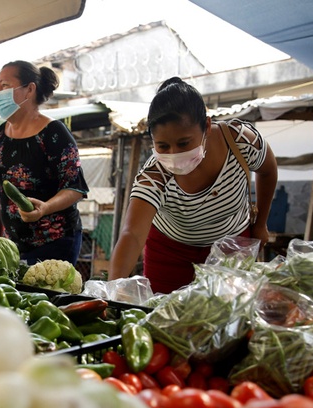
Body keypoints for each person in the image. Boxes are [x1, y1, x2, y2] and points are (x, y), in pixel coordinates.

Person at [109, 77, 278, 294]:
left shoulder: (240, 141)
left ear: (206, 126)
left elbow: (268, 170)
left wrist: (261, 223)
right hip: (170, 255)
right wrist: (110, 293)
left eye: (183, 143)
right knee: (165, 318)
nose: (174, 154)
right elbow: (131, 234)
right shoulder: (153, 175)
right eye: (162, 146)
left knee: (231, 317)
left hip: (232, 248)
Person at [0, 60, 89, 265]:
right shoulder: (2, 133)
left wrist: (44, 208)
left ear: (29, 90)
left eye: (5, 86)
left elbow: (74, 188)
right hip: (14, 246)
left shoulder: (54, 133)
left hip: (55, 242)